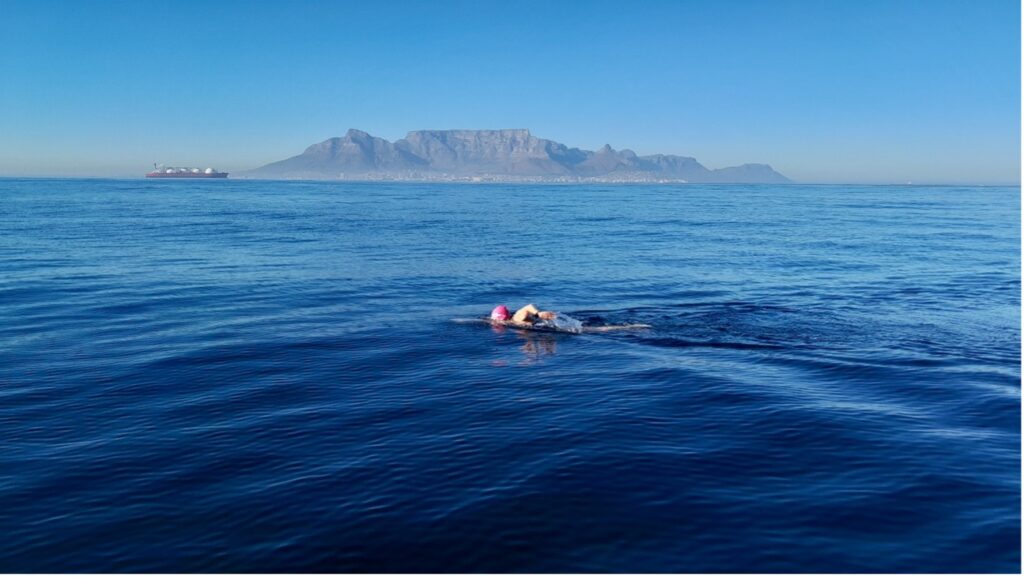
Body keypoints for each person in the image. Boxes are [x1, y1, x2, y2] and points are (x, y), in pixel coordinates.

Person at [490, 303, 557, 326]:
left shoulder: (516, 318)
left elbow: (528, 307)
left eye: (495, 320)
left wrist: (538, 314)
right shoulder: (513, 321)